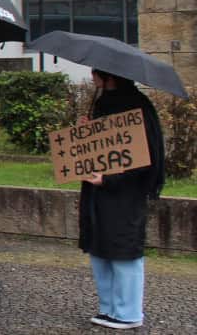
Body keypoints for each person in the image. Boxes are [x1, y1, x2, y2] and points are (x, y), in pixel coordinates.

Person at [80, 70, 164, 330]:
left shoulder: (135, 105)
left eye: (95, 72)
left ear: (109, 76)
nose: (91, 76)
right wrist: (87, 131)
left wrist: (110, 179)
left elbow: (142, 155)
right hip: (99, 189)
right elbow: (103, 146)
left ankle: (128, 311)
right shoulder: (105, 102)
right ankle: (109, 308)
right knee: (100, 246)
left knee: (123, 248)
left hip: (125, 192)